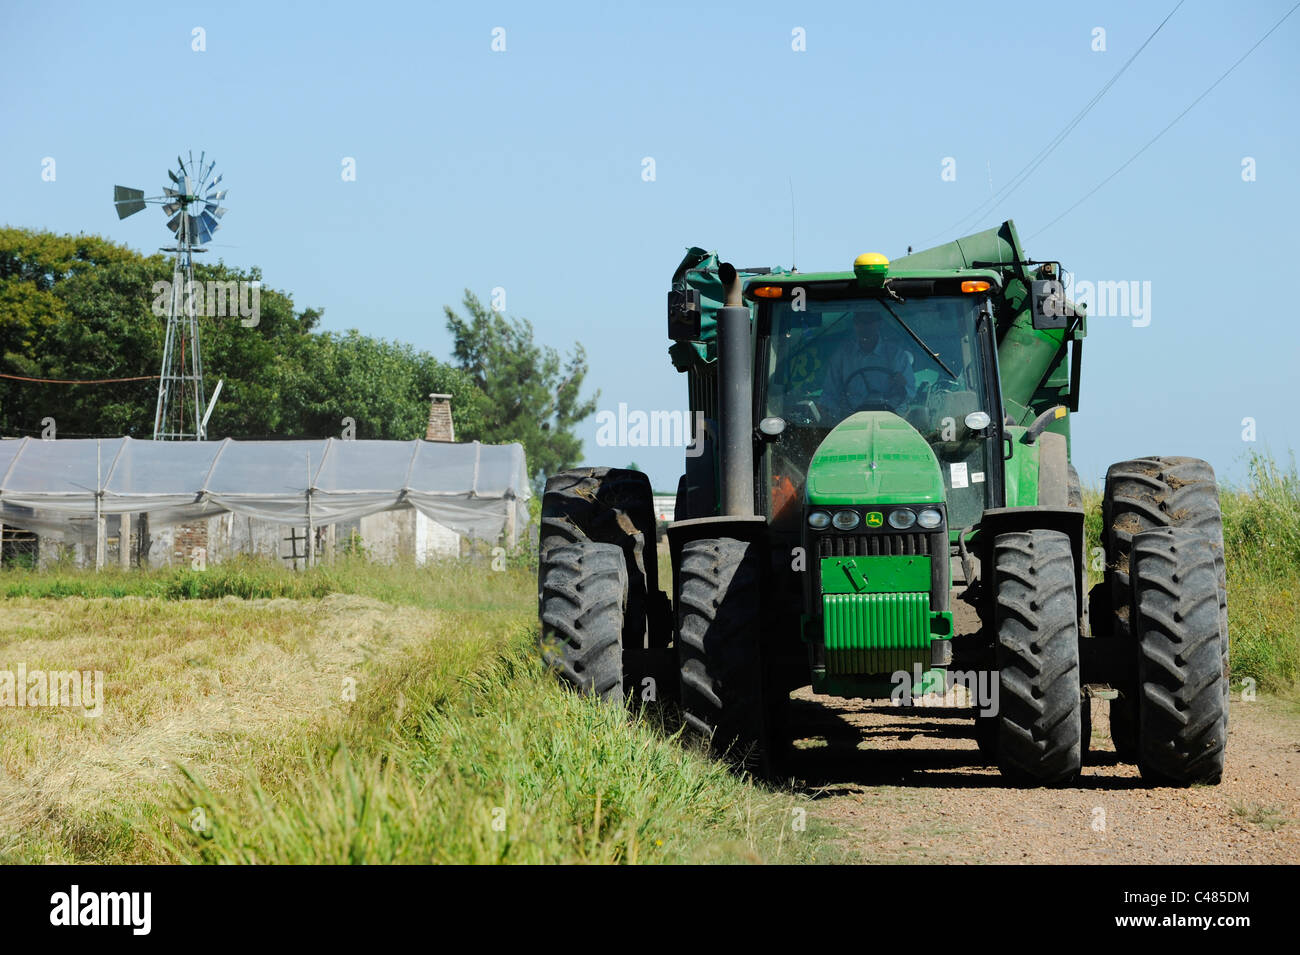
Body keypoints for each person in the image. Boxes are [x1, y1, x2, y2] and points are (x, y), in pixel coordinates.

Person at [823, 311, 916, 422]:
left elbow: (910, 393)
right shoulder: (842, 356)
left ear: (879, 323)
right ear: (855, 325)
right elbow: (830, 393)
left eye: (868, 321)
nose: (864, 326)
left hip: (889, 420)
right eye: (860, 322)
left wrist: (902, 385)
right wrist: (825, 414)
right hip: (850, 421)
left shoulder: (896, 355)